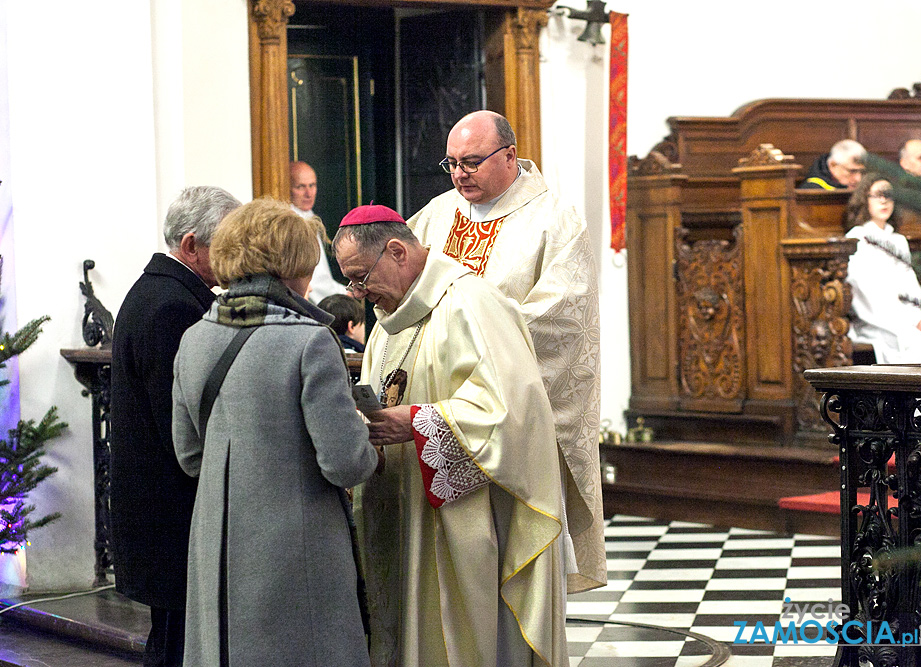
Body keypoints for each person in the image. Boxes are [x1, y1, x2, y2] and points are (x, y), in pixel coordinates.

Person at [335, 204, 567, 666]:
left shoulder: (472, 303)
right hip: (400, 504)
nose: (357, 292)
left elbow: (512, 413)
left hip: (462, 519)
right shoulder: (390, 320)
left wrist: (419, 421)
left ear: (397, 251)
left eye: (360, 277)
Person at [171, 198, 381, 667]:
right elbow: (345, 461)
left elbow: (188, 454)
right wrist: (373, 444)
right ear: (293, 266)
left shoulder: (194, 337)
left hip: (215, 542)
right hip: (295, 549)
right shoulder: (308, 340)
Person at [407, 110, 606, 595]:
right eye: (451, 163)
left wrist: (466, 336)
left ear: (510, 155)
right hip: (443, 406)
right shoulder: (436, 215)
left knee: (514, 561)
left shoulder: (554, 220)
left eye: (471, 161)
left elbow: (563, 314)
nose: (459, 174)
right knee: (455, 565)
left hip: (513, 418)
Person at [110, 185, 241, 667]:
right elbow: (181, 425)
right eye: (225, 244)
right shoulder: (175, 307)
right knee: (178, 646)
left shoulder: (158, 291)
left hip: (158, 510)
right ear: (191, 245)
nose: (235, 256)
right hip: (172, 512)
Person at [845, 173, 921, 363]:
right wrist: (915, 322)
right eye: (877, 195)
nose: (884, 201)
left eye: (889, 195)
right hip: (879, 322)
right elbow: (868, 294)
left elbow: (910, 284)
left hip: (910, 314)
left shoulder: (898, 240)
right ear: (864, 200)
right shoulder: (857, 239)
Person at [290, 160, 348, 302]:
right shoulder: (293, 222)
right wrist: (341, 293)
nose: (308, 193)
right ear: (288, 188)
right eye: (301, 187)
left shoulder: (308, 215)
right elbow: (313, 276)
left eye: (312, 185)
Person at [798, 139, 866, 190]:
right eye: (852, 171)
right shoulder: (811, 190)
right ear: (833, 165)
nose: (858, 178)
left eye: (862, 171)